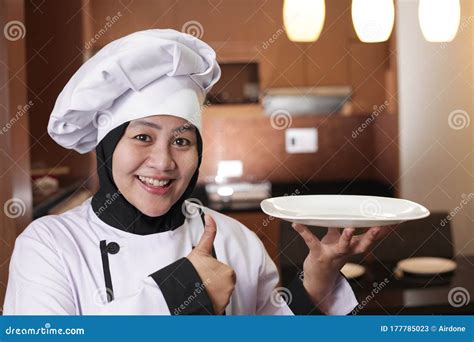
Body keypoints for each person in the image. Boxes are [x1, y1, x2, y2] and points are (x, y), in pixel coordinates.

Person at [3, 29, 385, 315]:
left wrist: (318, 279)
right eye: (141, 137)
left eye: (182, 141)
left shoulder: (236, 239)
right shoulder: (50, 244)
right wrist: (182, 290)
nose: (164, 161)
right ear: (107, 148)